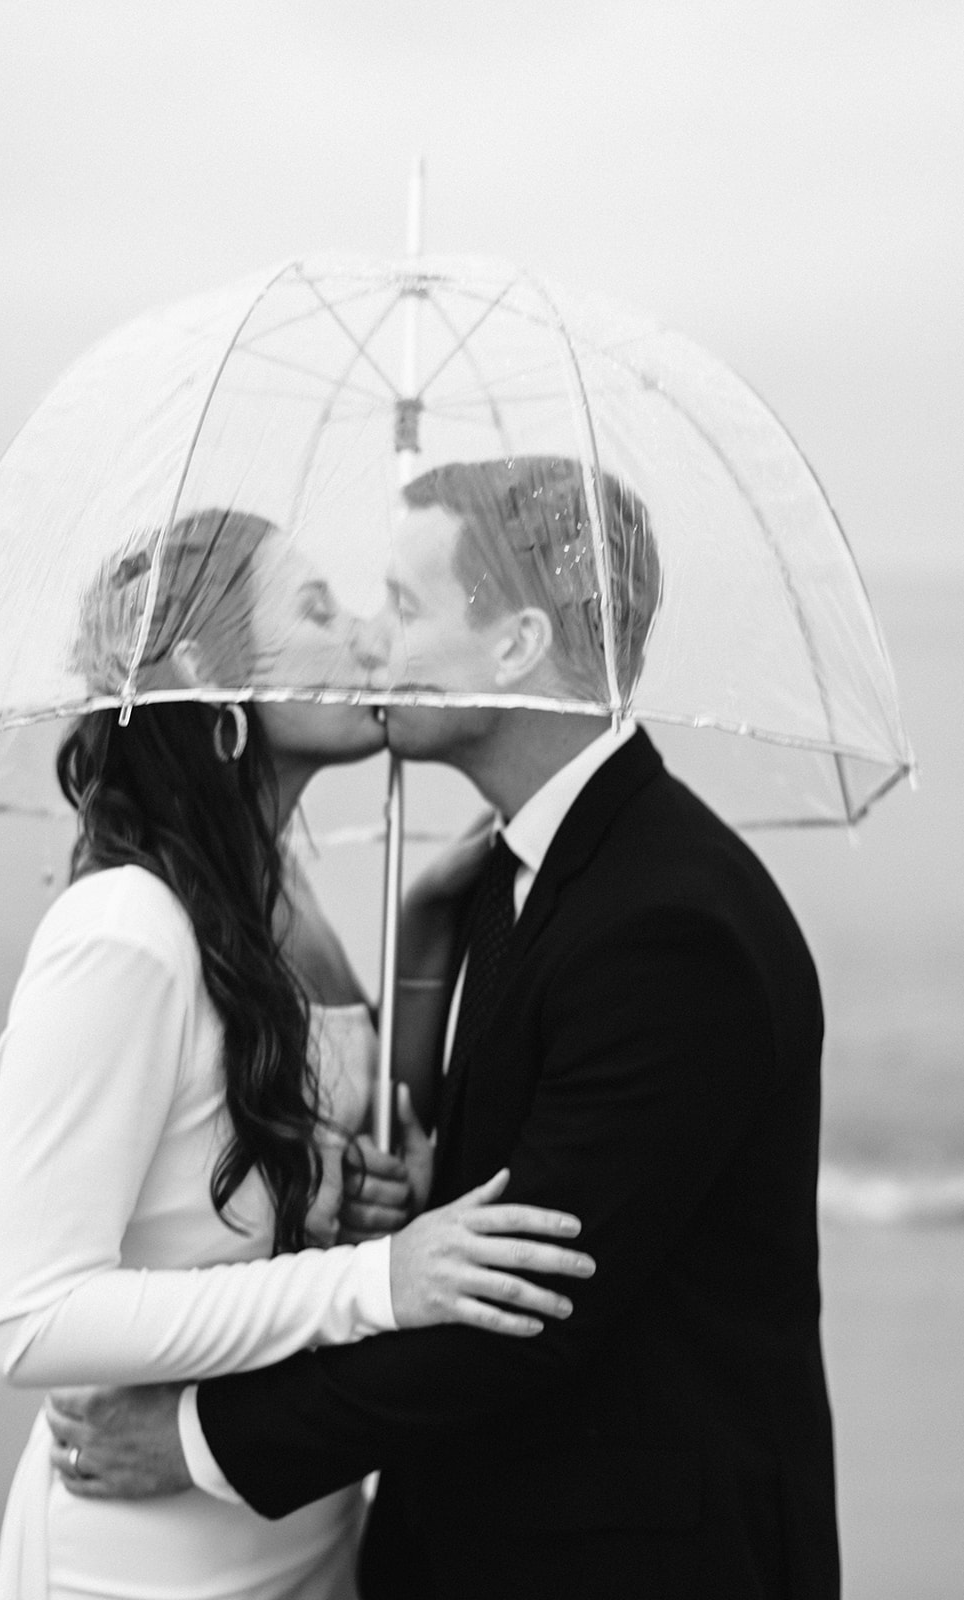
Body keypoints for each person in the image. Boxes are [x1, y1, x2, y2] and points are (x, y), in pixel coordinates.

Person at [48, 464, 840, 1599]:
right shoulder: (516, 876)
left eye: (403, 604)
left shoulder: (670, 921)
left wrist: (199, 1441)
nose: (374, 641)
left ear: (517, 645)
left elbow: (522, 1306)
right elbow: (499, 1212)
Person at [0, 504, 597, 1600]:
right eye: (320, 609)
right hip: (149, 1556)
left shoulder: (280, 906)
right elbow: (32, 1317)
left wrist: (342, 1191)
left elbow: (243, 1202)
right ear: (214, 688)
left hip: (302, 1524)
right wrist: (376, 1277)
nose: (372, 636)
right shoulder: (124, 930)